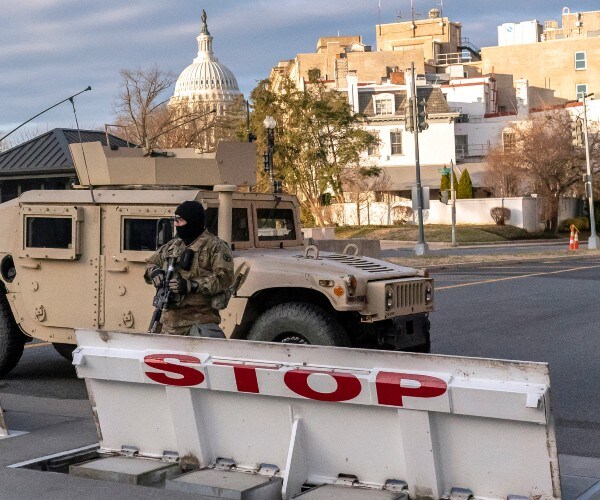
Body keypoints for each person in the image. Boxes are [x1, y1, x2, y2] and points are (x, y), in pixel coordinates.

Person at [144, 200, 234, 337]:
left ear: (193, 221)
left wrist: (192, 285)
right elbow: (151, 262)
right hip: (168, 323)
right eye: (175, 220)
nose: (176, 224)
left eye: (180, 220)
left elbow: (224, 278)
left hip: (199, 322)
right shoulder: (173, 245)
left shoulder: (216, 247)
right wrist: (155, 272)